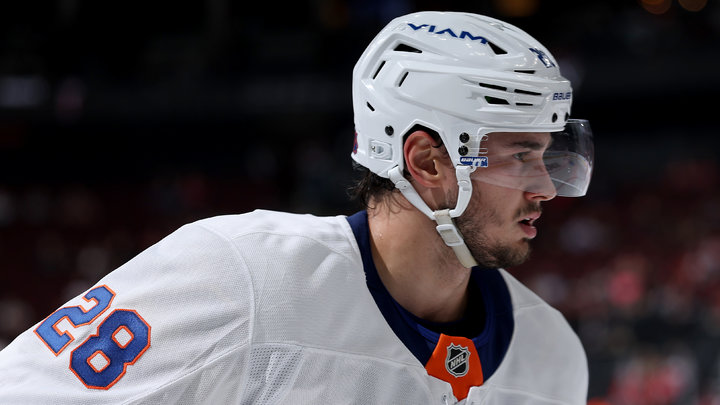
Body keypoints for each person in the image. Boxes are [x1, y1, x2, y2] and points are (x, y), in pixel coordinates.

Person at [0, 11, 594, 404]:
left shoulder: (554, 356)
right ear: (428, 162)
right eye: (521, 156)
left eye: (545, 154)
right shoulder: (241, 274)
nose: (545, 187)